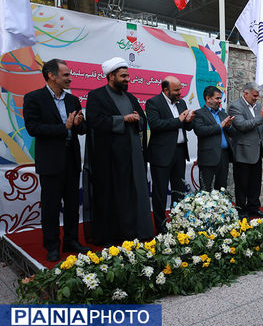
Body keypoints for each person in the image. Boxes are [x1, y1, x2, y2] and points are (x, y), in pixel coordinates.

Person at [23, 59, 90, 261]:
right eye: (66, 75)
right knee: (51, 206)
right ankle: (52, 245)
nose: (70, 78)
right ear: (52, 76)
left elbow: (82, 129)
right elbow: (33, 128)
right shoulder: (34, 98)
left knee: (71, 204)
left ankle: (71, 241)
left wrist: (78, 124)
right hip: (51, 161)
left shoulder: (73, 100)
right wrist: (65, 127)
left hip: (71, 159)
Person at [84, 57, 154, 245]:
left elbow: (141, 119)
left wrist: (138, 119)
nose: (127, 79)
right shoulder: (96, 96)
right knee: (111, 196)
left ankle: (133, 231)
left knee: (132, 194)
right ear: (111, 76)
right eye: (123, 76)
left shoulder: (130, 97)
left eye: (128, 76)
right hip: (109, 157)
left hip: (131, 154)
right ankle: (111, 235)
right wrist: (122, 119)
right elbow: (94, 121)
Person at [146, 77, 195, 234]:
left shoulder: (181, 103)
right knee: (160, 193)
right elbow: (156, 125)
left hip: (180, 152)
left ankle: (177, 222)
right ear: (166, 90)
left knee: (178, 190)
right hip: (161, 154)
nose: (180, 93)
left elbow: (186, 127)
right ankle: (161, 227)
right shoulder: (153, 103)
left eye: (180, 89)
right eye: (176, 90)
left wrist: (188, 121)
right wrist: (178, 120)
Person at [228, 82, 263, 218]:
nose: (257, 98)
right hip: (243, 153)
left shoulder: (257, 107)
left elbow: (262, 124)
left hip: (257, 152)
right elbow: (242, 125)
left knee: (255, 184)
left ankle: (254, 207)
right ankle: (241, 210)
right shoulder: (235, 107)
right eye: (254, 96)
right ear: (245, 93)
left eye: (258, 96)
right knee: (242, 184)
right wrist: (260, 117)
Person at [194, 85, 235, 192]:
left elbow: (232, 133)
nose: (220, 101)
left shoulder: (223, 114)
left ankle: (222, 209)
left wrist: (229, 126)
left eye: (220, 98)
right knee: (205, 190)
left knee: (221, 188)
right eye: (217, 98)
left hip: (224, 156)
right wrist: (220, 126)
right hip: (208, 157)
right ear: (208, 98)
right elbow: (200, 131)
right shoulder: (199, 113)